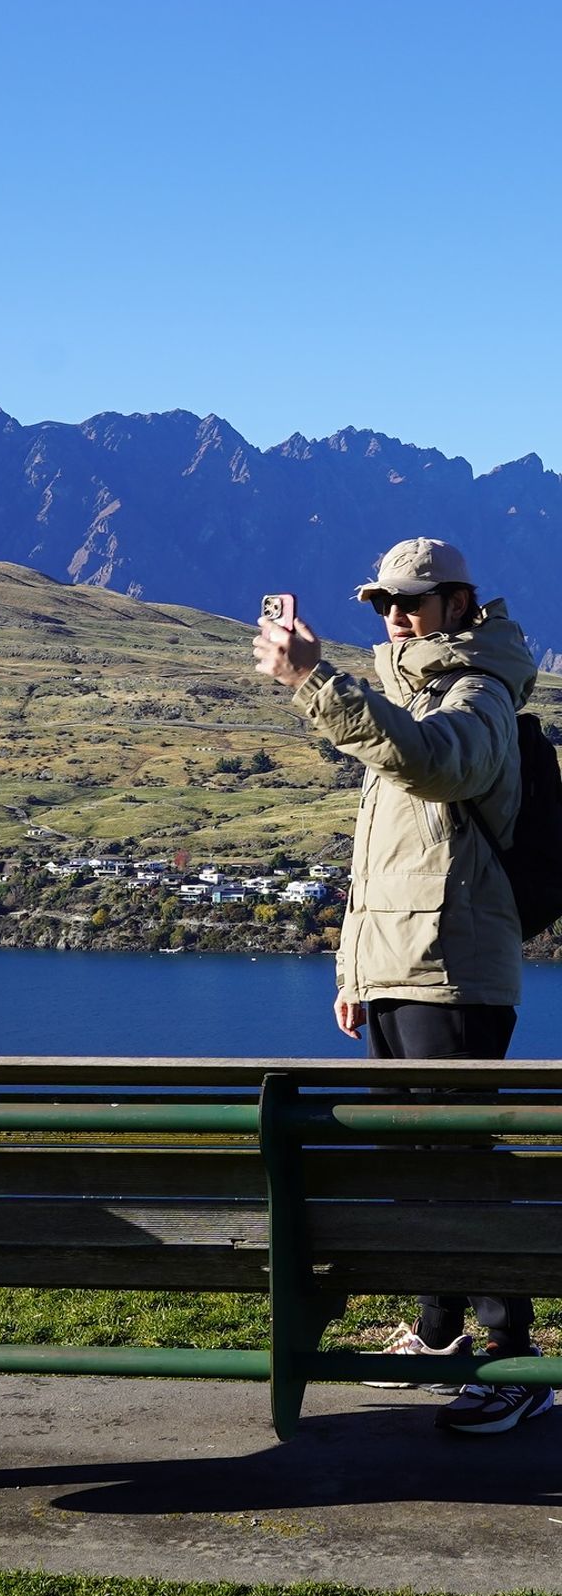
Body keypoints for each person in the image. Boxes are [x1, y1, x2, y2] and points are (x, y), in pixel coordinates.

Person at [252, 536, 551, 1436]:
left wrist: (315, 684)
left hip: (453, 974)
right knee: (415, 1166)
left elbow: (439, 765)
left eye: (413, 601)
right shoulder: (412, 695)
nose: (395, 614)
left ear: (462, 603)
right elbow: (384, 861)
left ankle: (515, 1361)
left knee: (460, 1164)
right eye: (385, 600)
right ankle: (439, 1332)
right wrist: (355, 968)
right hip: (396, 969)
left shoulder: (479, 692)